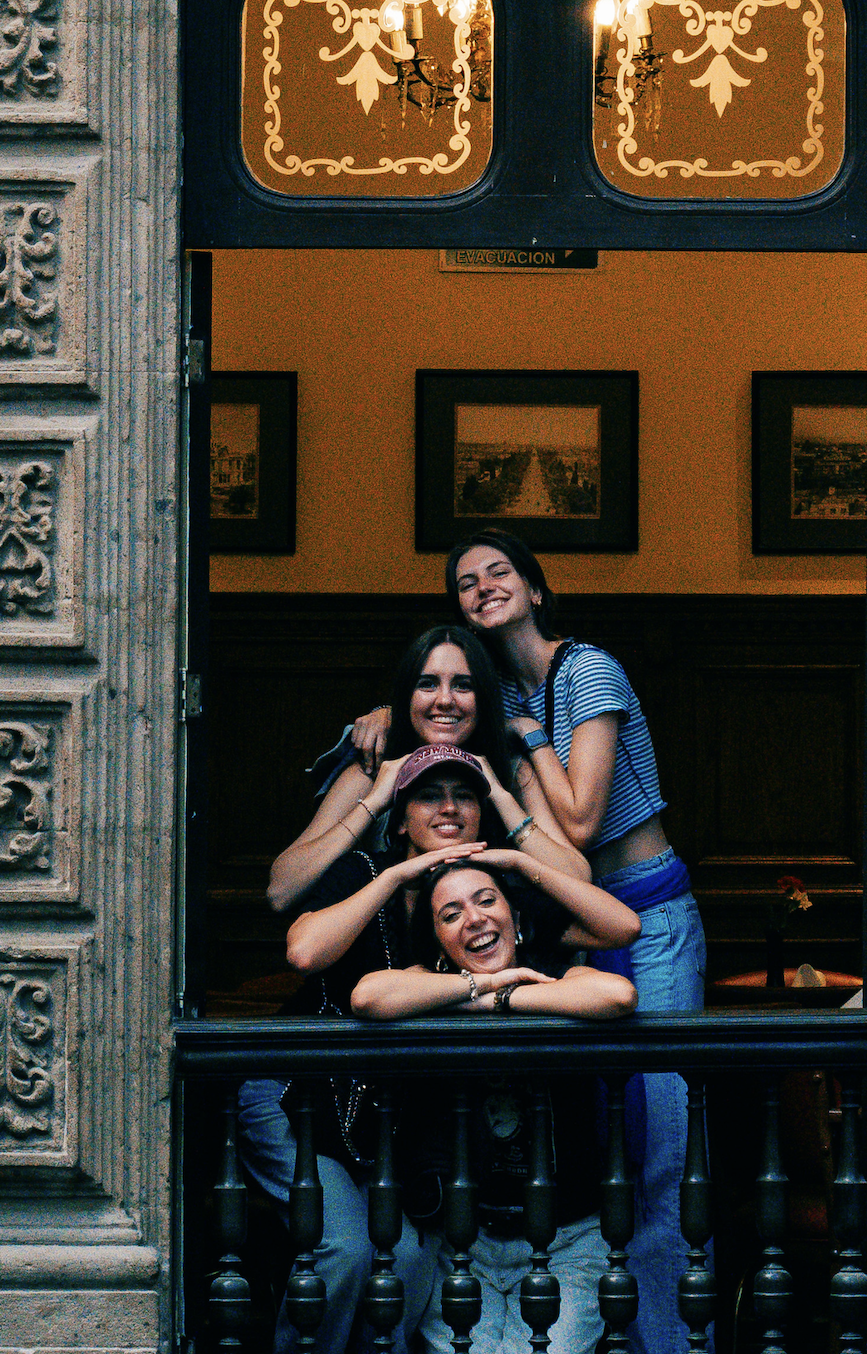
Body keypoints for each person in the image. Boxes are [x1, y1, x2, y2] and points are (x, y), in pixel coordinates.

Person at [354, 529, 705, 1354]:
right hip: (566, 915)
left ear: (537, 589)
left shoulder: (585, 670)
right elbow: (438, 718)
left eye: (498, 573)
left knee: (662, 1153)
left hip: (645, 914)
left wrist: (529, 739)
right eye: (465, 582)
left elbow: (578, 821)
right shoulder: (500, 690)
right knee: (606, 1131)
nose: (482, 587)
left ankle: (674, 1345)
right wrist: (381, 713)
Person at [238, 742, 624, 1354]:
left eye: (464, 794)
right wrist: (400, 874)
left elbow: (620, 933)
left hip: (379, 1126)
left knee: (409, 1264)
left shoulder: (494, 901)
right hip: (304, 1102)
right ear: (400, 818)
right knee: (346, 1249)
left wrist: (518, 870)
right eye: (428, 795)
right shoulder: (367, 874)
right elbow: (324, 966)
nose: (449, 808)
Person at [352, 859, 636, 1354]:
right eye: (451, 913)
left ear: (516, 918)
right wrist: (480, 989)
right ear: (438, 939)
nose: (475, 919)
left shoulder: (549, 968)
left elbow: (616, 995)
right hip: (467, 1246)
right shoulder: (434, 985)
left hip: (567, 1243)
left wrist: (509, 998)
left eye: (487, 900)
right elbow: (369, 996)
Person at [269, 625, 588, 916]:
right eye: (427, 684)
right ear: (407, 697)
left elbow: (579, 882)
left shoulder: (511, 769)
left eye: (463, 685)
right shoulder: (373, 766)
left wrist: (500, 794)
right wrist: (375, 801)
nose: (445, 700)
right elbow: (281, 891)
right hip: (392, 964)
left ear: (484, 699)